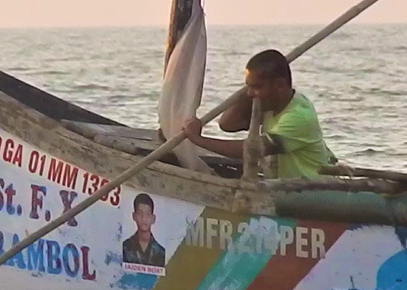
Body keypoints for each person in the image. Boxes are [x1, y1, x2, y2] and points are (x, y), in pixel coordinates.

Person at [182, 49, 334, 179]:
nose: (250, 93)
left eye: (257, 87)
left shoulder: (299, 116)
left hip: (311, 193)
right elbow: (228, 124)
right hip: (282, 188)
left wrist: (198, 139)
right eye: (248, 86)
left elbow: (252, 151)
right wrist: (250, 92)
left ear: (279, 86)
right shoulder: (270, 104)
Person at [122, 193, 166, 268]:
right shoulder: (125, 247)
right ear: (134, 216)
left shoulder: (160, 252)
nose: (144, 218)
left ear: (153, 218)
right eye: (140, 213)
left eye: (148, 214)